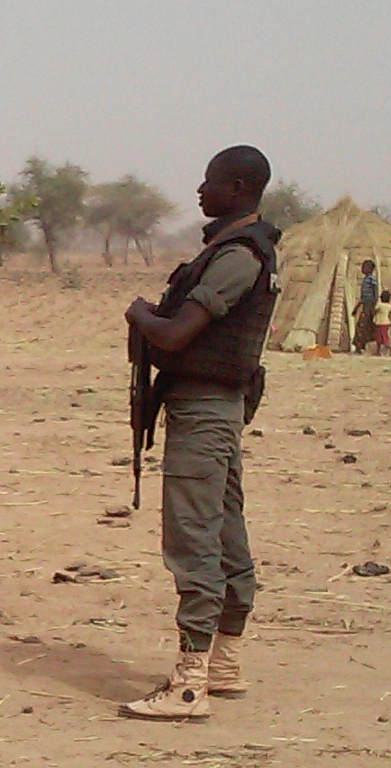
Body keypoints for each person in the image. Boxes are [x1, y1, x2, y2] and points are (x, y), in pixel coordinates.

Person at [120, 145, 282, 720]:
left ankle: (190, 683)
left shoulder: (237, 256)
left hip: (205, 413)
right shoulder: (241, 249)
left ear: (237, 187)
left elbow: (175, 335)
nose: (198, 190)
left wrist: (141, 315)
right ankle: (224, 664)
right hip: (216, 409)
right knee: (227, 531)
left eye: (209, 180)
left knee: (193, 539)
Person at [353, 258, 379, 352]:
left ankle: (360, 346)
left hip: (369, 304)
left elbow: (375, 291)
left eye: (364, 267)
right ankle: (360, 346)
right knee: (362, 325)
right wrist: (357, 307)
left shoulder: (372, 279)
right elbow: (363, 297)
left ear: (370, 269)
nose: (362, 269)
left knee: (363, 325)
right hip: (365, 304)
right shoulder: (365, 280)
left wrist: (373, 304)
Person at [372, 289, 391, 355]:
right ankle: (378, 352)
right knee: (382, 337)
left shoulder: (380, 305)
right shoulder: (389, 306)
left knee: (381, 338)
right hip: (386, 323)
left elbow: (374, 311)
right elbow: (390, 315)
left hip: (380, 323)